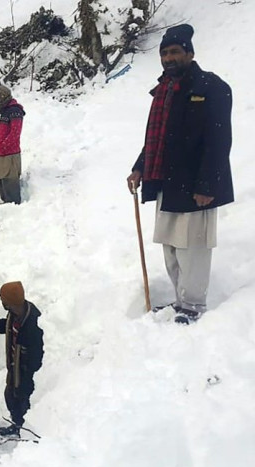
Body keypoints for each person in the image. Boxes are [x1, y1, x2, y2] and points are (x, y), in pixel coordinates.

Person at [126, 24, 233, 325]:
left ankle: (194, 305)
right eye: (164, 53)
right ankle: (180, 301)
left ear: (190, 53)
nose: (169, 58)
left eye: (174, 52)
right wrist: (139, 167)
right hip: (166, 181)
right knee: (171, 247)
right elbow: (155, 139)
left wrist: (208, 184)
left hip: (196, 184)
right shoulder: (163, 91)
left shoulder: (211, 87)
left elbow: (219, 140)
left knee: (192, 248)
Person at [0, 281, 43, 436]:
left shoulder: (33, 321)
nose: (2, 303)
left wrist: (28, 372)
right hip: (14, 366)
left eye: (3, 300)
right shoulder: (15, 313)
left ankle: (27, 430)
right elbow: (8, 327)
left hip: (26, 370)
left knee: (24, 399)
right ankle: (17, 425)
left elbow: (37, 351)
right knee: (10, 396)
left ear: (9, 302)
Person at [0, 85, 25, 204]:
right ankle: (6, 201)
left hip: (9, 152)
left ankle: (13, 203)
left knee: (10, 178)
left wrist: (3, 146)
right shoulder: (6, 111)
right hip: (2, 152)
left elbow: (15, 133)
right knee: (3, 177)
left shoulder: (15, 111)